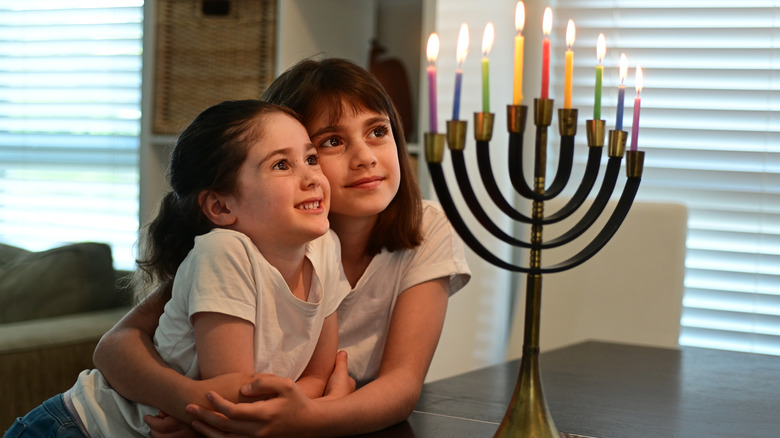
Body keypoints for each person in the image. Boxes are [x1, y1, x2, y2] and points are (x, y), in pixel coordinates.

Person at [92, 58, 471, 437]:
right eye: (333, 142)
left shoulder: (426, 229)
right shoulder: (252, 242)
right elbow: (116, 346)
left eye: (377, 131)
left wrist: (305, 416)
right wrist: (193, 403)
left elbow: (402, 385)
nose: (366, 157)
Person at [4, 100, 350, 437]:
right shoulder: (224, 252)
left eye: (310, 158)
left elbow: (317, 375)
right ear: (220, 205)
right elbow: (232, 401)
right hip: (78, 427)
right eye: (281, 165)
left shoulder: (325, 248)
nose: (312, 178)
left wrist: (301, 411)